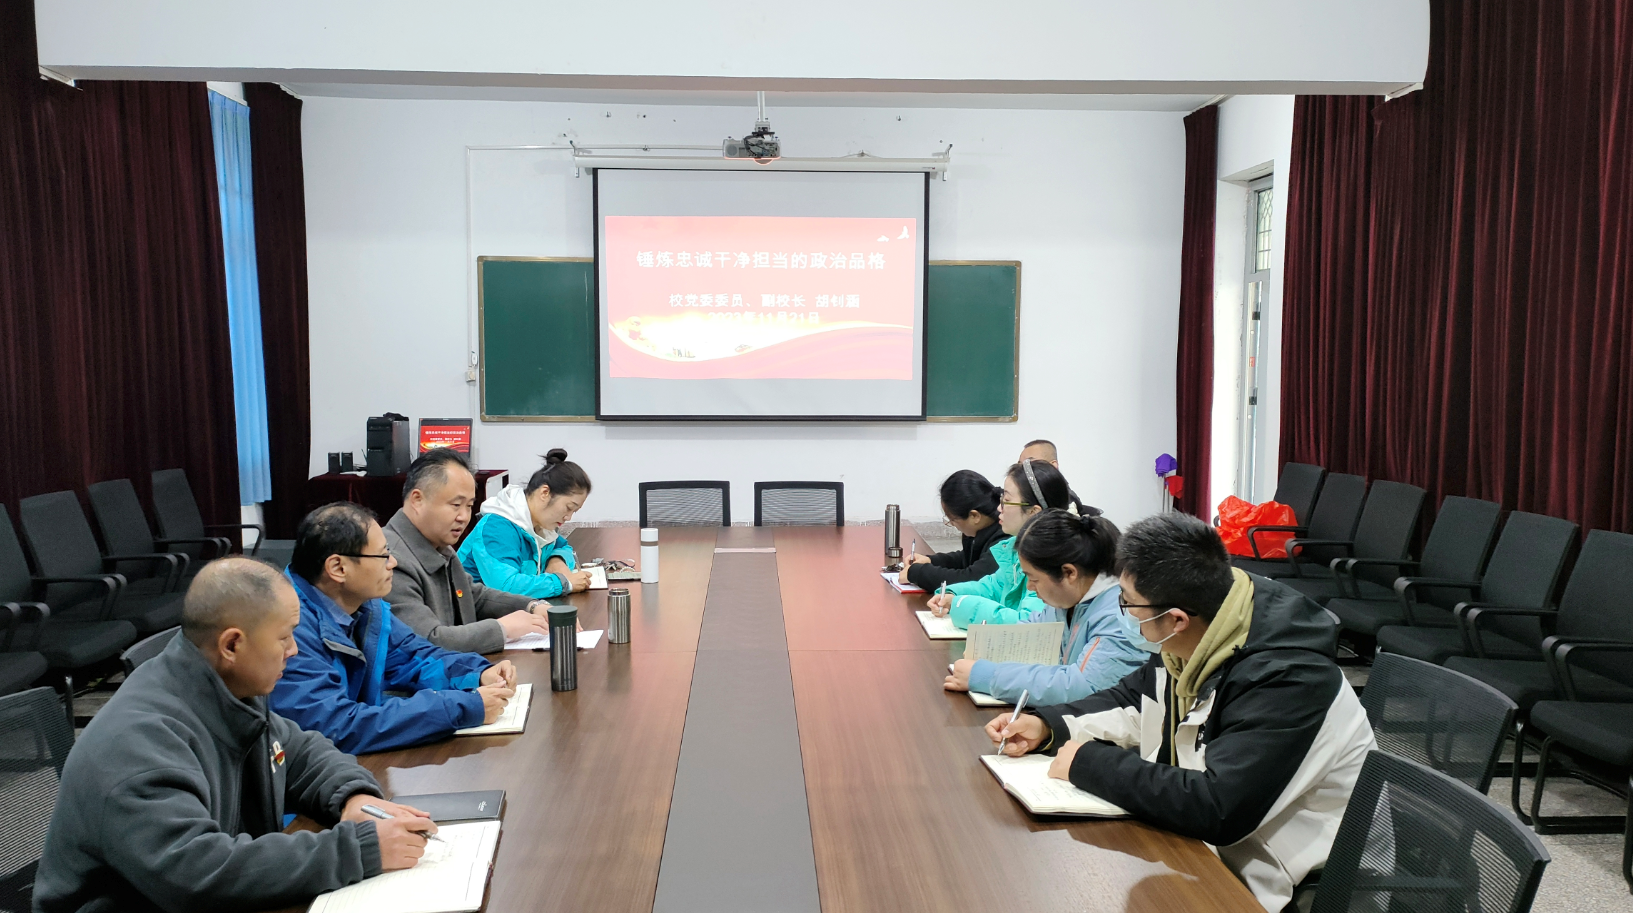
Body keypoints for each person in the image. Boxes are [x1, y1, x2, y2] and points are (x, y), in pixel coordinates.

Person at [984, 514, 1374, 912]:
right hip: (1211, 850)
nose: (1126, 614)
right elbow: (1133, 698)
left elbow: (1219, 807)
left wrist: (1089, 763)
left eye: (1129, 604)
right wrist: (1047, 725)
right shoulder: (1205, 630)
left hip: (1295, 879)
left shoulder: (1288, 679)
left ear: (1176, 619)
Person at [33, 558, 439, 913]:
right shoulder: (137, 744)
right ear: (231, 645)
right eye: (284, 637)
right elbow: (198, 873)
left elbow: (299, 751)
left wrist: (354, 797)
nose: (294, 650)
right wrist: (361, 848)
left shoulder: (229, 687)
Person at [271, 502, 517, 754]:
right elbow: (334, 726)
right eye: (382, 555)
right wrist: (462, 707)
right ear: (338, 568)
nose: (393, 562)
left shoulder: (366, 607)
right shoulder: (288, 629)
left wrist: (478, 673)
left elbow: (414, 657)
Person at [944, 509, 1146, 704]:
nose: (1030, 587)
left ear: (1069, 573)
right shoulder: (1067, 598)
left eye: (1034, 579)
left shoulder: (1120, 613)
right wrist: (987, 650)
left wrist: (988, 677)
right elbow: (1036, 631)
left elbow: (1082, 686)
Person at [383, 448, 553, 655]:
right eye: (456, 505)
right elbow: (426, 641)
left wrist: (532, 606)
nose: (464, 517)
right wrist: (502, 629)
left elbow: (472, 596)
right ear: (417, 500)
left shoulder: (439, 546)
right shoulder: (390, 560)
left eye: (469, 506)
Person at [924, 460, 1076, 628]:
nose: (999, 508)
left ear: (1033, 512)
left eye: (1007, 501)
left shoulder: (1051, 560)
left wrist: (961, 604)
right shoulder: (1014, 548)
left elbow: (1028, 624)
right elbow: (993, 586)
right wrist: (952, 594)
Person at [459, 448, 593, 600]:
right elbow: (506, 587)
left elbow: (563, 547)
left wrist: (556, 560)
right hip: (473, 610)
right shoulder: (496, 527)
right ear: (544, 493)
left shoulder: (541, 524)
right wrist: (564, 583)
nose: (568, 517)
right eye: (568, 507)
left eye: (574, 511)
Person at [901, 469, 1008, 591]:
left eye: (952, 520)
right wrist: (931, 561)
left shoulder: (1005, 537)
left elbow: (972, 579)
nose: (952, 524)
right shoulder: (982, 531)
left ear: (975, 516)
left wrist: (918, 573)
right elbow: (967, 558)